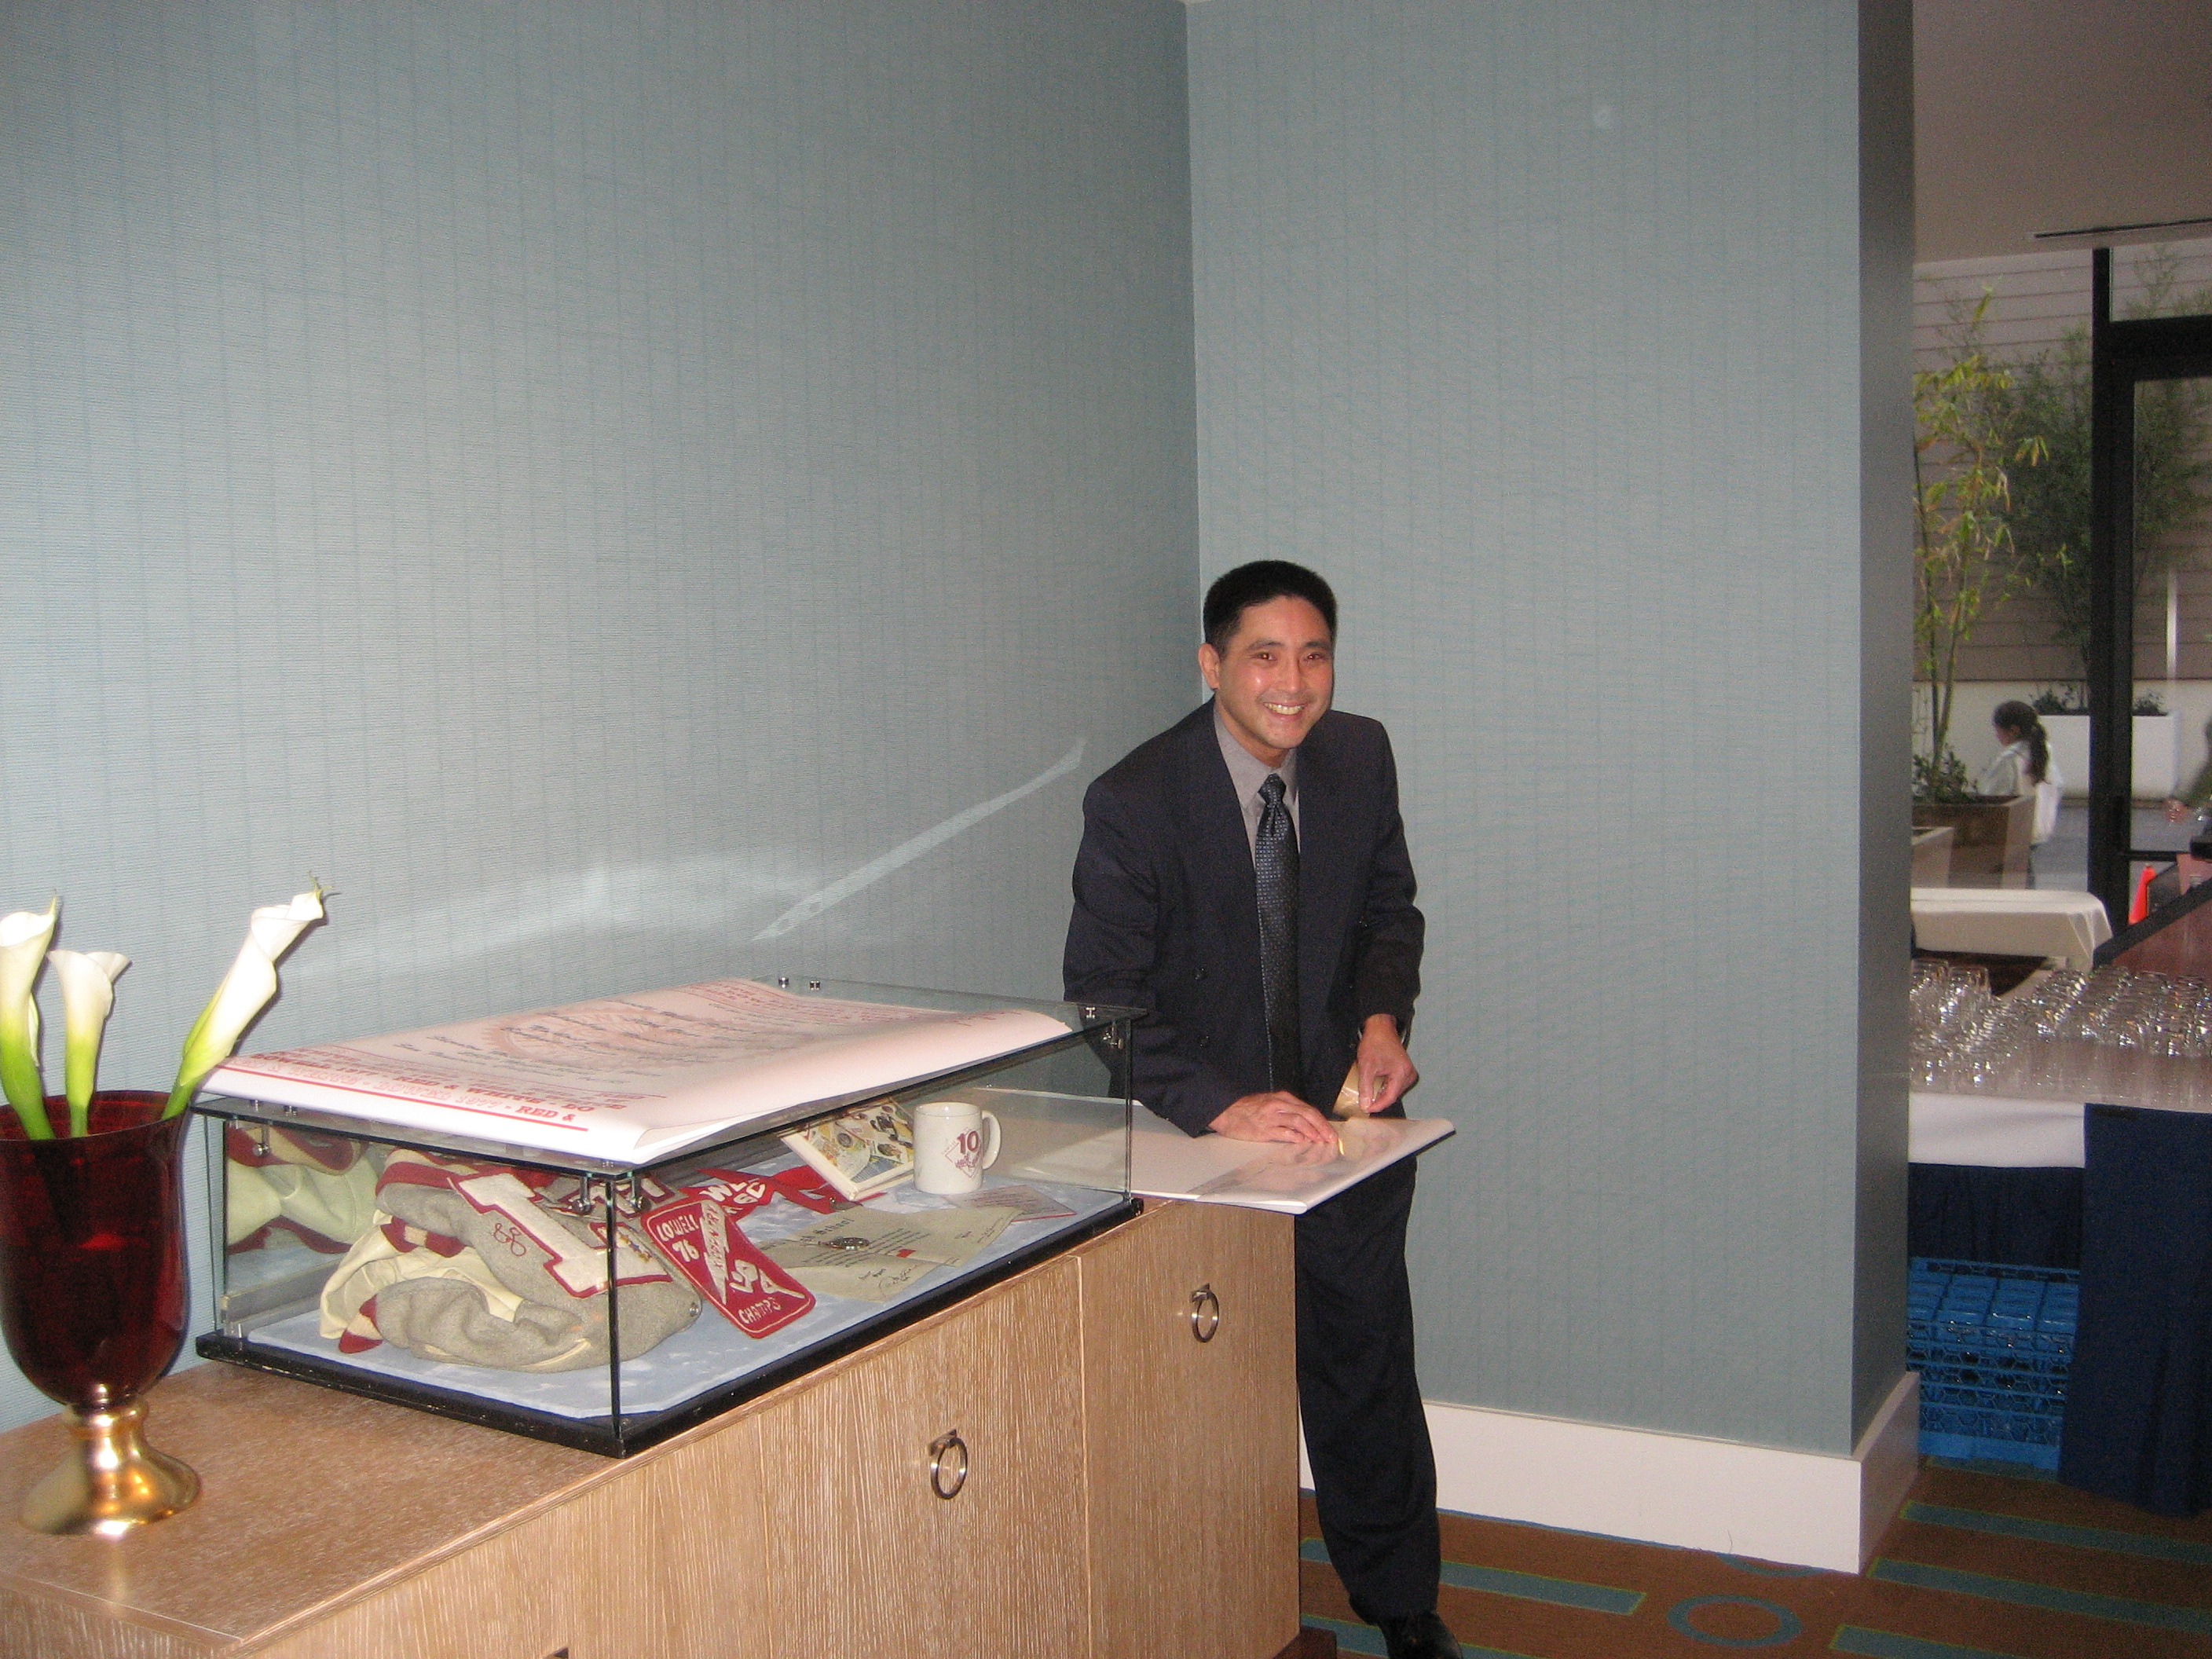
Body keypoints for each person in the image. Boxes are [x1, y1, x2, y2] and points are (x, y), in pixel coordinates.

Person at [1063, 561, 1459, 1659]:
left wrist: (1381, 1021)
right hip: (1207, 1146)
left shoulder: (1359, 756)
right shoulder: (1137, 800)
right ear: (1212, 664)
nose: (1294, 683)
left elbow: (1389, 912)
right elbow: (1101, 998)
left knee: (1366, 1368)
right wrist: (1226, 1105)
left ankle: (1402, 1605)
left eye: (1314, 655)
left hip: (1341, 1132)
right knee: (1211, 1393)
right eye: (1264, 656)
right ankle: (1207, 1607)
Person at [1977, 700, 2063, 859]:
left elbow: (1993, 795)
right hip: (2040, 827)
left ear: (2013, 730)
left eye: (1998, 730)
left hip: (2015, 830)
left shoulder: (2010, 759)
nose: (1996, 736)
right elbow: (2057, 785)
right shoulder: (2043, 750)